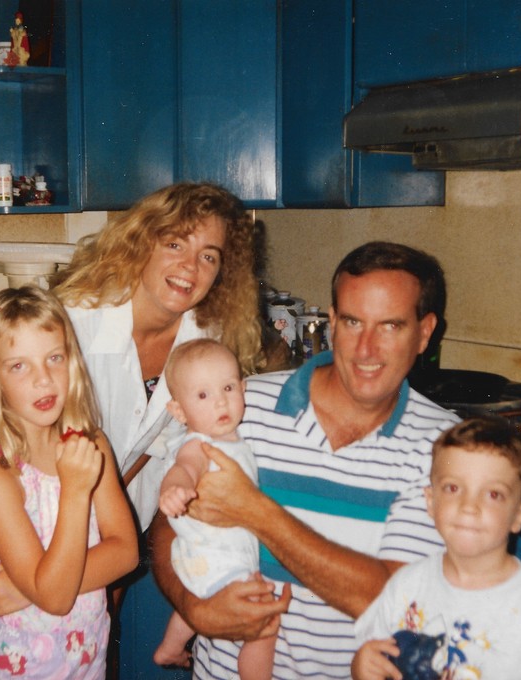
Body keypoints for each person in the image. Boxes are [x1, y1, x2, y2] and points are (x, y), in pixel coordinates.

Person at [151, 240, 462, 678]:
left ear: (425, 332)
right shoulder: (241, 406)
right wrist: (193, 607)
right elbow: (169, 524)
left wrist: (257, 513)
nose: (366, 349)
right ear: (332, 322)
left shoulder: (446, 448)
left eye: (390, 326)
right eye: (352, 322)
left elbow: (396, 602)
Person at [53, 181, 263, 531]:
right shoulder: (73, 324)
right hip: (50, 516)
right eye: (175, 244)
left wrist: (113, 519)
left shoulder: (206, 342)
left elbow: (163, 441)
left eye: (208, 256)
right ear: (142, 244)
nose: (190, 266)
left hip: (125, 520)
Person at [0, 286, 139, 678]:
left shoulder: (90, 443)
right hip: (21, 669)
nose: (44, 380)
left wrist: (28, 590)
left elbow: (126, 552)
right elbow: (55, 598)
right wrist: (75, 491)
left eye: (54, 358)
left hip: (87, 663)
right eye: (19, 366)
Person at [351, 417, 521, 680]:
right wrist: (362, 667)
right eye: (453, 488)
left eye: (493, 494)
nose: (469, 506)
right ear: (431, 501)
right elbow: (373, 656)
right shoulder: (406, 585)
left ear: (519, 517)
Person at [153, 338, 276, 678]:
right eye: (203, 395)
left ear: (243, 389)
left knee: (203, 596)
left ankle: (171, 646)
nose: (221, 401)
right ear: (179, 412)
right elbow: (185, 467)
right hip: (216, 554)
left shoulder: (233, 440)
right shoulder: (199, 443)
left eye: (228, 388)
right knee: (264, 626)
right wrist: (174, 489)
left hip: (209, 555)